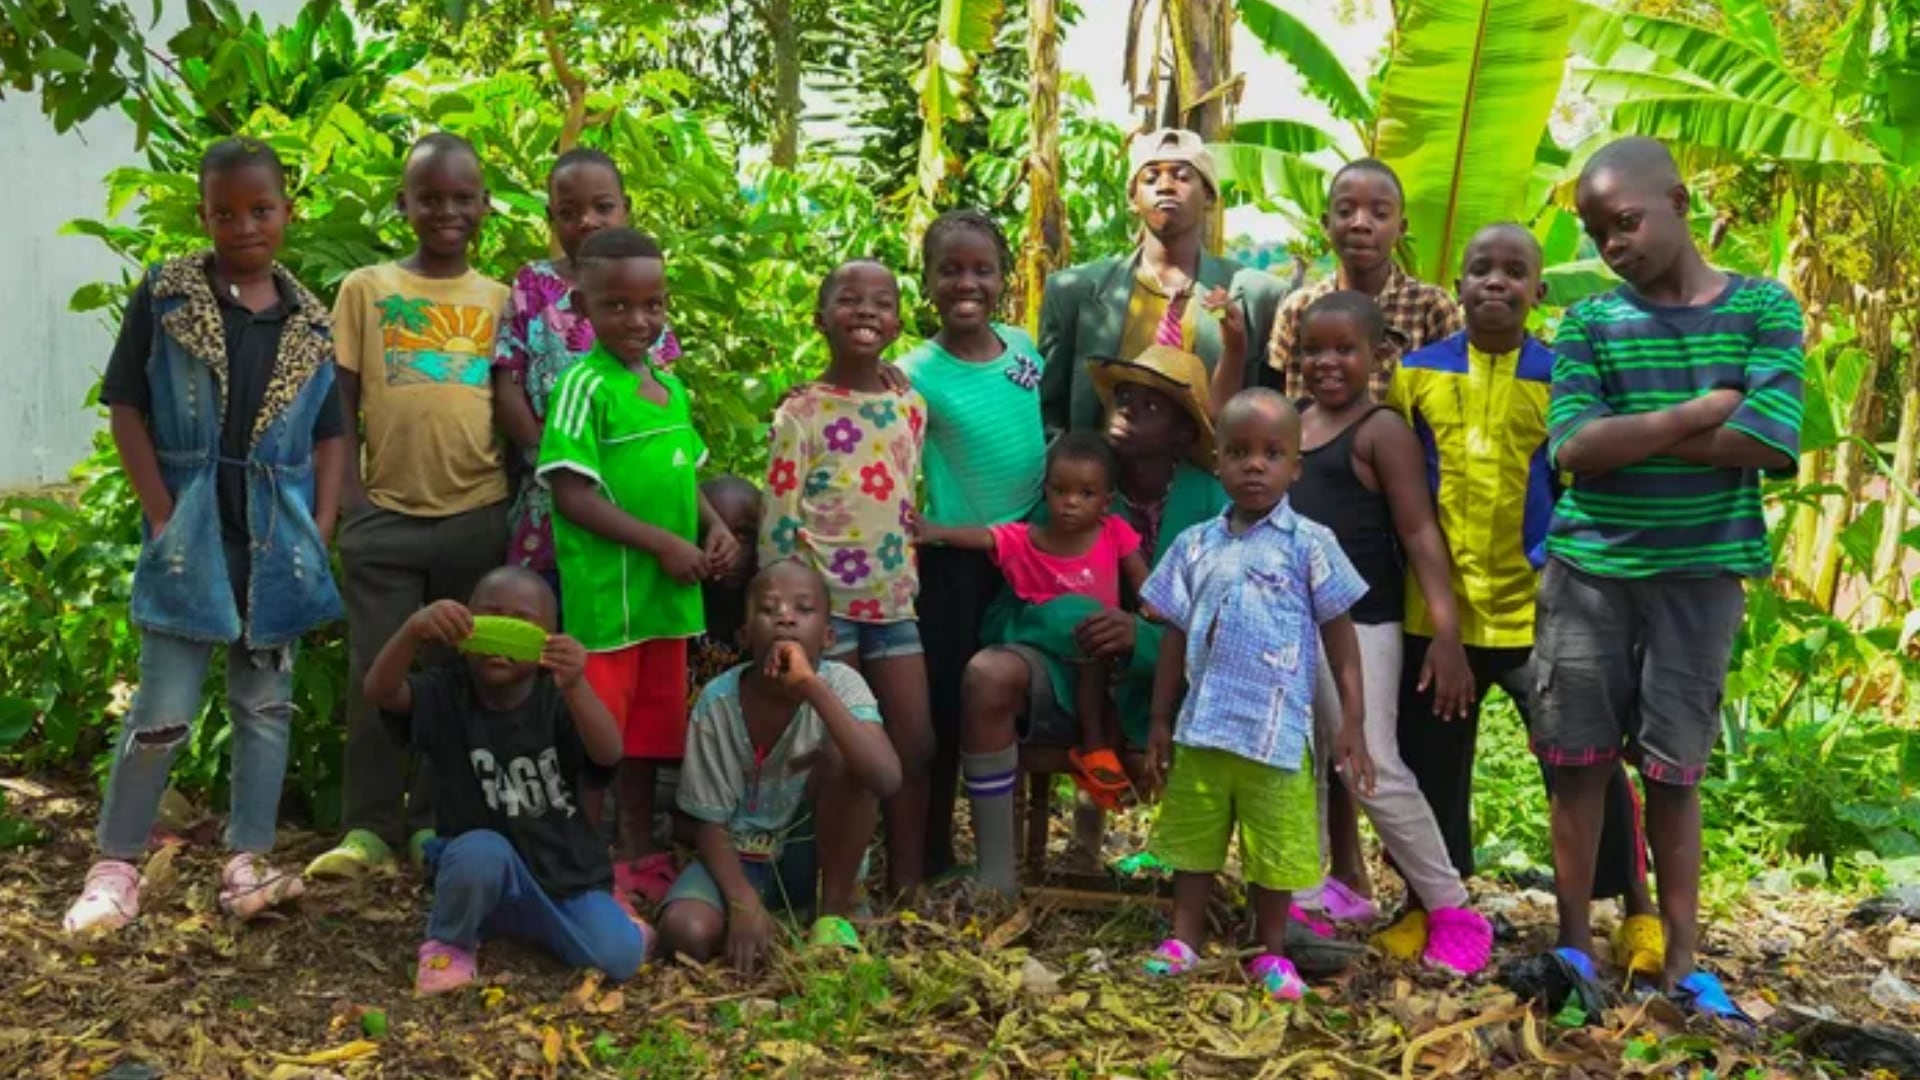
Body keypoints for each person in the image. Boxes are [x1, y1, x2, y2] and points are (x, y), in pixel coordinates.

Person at [1539, 136, 1803, 1017]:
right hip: (1589, 575)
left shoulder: (1764, 306)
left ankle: (1684, 963)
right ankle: (1574, 946)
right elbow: (1575, 449)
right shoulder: (1586, 324)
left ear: (1679, 202)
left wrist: (1634, 434)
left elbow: (1773, 439)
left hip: (1701, 577)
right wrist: (1704, 409)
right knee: (1575, 765)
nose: (1612, 245)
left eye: (1624, 222)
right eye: (1595, 232)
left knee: (1674, 774)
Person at [65, 138, 345, 932]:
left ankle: (246, 863)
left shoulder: (311, 324)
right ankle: (116, 866)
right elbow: (126, 406)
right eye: (225, 213)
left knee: (266, 707)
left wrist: (318, 528)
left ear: (288, 212)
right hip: (190, 537)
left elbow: (332, 433)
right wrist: (160, 511)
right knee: (163, 709)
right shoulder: (167, 297)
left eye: (261, 210)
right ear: (204, 216)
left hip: (275, 541)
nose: (245, 226)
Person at [1387, 223, 1658, 969]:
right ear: (1459, 287)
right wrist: (1442, 631)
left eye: (1514, 272)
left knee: (1588, 765)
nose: (1496, 283)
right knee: (1431, 763)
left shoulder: (1562, 375)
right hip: (1436, 616)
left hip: (1545, 613)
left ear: (1540, 290)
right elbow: (1407, 502)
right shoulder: (1415, 375)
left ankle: (1636, 908)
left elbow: (1582, 486)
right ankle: (1428, 905)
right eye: (1480, 269)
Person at [311, 132, 513, 879]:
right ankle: (367, 829)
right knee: (378, 676)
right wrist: (353, 499)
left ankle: (437, 824)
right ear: (404, 204)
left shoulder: (500, 299)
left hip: (477, 515)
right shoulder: (367, 289)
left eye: (463, 197)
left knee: (457, 678)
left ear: (485, 205)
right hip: (386, 517)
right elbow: (338, 398)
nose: (447, 210)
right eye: (430, 197)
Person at [959, 344, 1228, 898]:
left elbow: (1231, 614)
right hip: (1066, 668)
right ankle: (995, 880)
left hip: (1175, 686)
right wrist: (1075, 619)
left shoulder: (1211, 499)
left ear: (1183, 433)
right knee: (987, 673)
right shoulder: (1071, 488)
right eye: (1122, 398)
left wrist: (1146, 639)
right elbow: (1019, 594)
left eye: (1151, 406)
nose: (1127, 410)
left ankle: (1201, 887)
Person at [1138, 388, 1376, 1001]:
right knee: (1193, 843)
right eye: (1239, 451)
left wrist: (1353, 722)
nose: (1254, 465)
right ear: (1216, 461)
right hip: (1203, 727)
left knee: (1274, 849)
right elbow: (1173, 634)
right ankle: (1183, 938)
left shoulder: (1310, 544)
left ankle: (1271, 953)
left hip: (1275, 733)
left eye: (1272, 454)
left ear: (1295, 466)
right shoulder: (1195, 544)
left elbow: (1342, 640)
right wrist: (1161, 719)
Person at [1287, 291, 1491, 976]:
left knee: (1367, 763)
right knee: (1308, 761)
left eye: (1344, 349)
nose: (1326, 362)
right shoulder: (1293, 424)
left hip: (1365, 624)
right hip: (1294, 626)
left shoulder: (1381, 432)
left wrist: (1446, 632)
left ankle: (1451, 904)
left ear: (1379, 355)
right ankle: (1313, 893)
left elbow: (1419, 533)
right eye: (1313, 349)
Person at [536, 227, 741, 904]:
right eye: (619, 305)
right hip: (609, 604)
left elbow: (687, 482)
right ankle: (586, 865)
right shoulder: (581, 385)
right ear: (584, 304)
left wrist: (714, 531)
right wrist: (662, 544)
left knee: (648, 737)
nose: (639, 320)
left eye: (652, 304)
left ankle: (636, 851)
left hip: (666, 603)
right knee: (599, 739)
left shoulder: (669, 390)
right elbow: (572, 495)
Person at [362, 567, 647, 994]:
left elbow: (608, 753)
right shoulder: (446, 693)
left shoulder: (557, 697)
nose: (503, 631)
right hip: (479, 869)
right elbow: (381, 692)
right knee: (480, 851)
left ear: (548, 639)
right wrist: (412, 631)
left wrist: (577, 685)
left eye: (522, 622)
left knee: (621, 957)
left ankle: (572, 923)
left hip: (561, 874)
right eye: (490, 614)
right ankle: (450, 942)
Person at [760, 259, 932, 894]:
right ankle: (837, 886)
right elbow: (779, 517)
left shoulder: (909, 405)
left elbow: (910, 499)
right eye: (849, 300)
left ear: (896, 323)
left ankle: (908, 879)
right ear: (820, 318)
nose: (866, 311)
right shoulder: (800, 412)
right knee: (837, 751)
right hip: (825, 614)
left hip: (893, 606)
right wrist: (784, 614)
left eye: (882, 302)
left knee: (914, 744)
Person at [658, 560, 903, 971]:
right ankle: (772, 917)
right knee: (685, 932)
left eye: (803, 609)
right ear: (744, 634)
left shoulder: (840, 684)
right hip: (738, 858)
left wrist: (811, 686)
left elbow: (886, 777)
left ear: (827, 637)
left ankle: (833, 914)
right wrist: (742, 903)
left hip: (814, 857)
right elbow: (709, 824)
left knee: (850, 753)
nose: (785, 617)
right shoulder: (717, 702)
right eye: (769, 609)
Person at [899, 208, 1047, 881]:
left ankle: (1004, 852)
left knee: (1009, 701)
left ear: (1002, 278)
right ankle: (931, 850)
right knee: (943, 703)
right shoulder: (912, 372)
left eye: (981, 269)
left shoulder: (1024, 350)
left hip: (1033, 554)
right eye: (950, 270)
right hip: (955, 560)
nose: (967, 283)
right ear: (927, 281)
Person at [913, 432, 1149, 810]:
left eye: (1086, 494)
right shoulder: (1028, 539)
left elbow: (1145, 584)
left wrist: (1150, 614)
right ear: (1045, 491)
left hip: (1096, 655)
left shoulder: (1113, 533)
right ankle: (1094, 745)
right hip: (1043, 651)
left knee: (1098, 634)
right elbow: (984, 537)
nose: (1070, 502)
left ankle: (1108, 762)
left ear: (1107, 502)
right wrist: (936, 530)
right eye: (1060, 490)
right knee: (1075, 617)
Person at [492, 147, 683, 600]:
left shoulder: (644, 290)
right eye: (569, 212)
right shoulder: (532, 285)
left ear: (626, 209)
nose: (588, 221)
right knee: (544, 615)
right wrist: (551, 457)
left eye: (603, 207)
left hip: (630, 493)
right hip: (550, 489)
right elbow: (508, 383)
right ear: (551, 218)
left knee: (618, 608)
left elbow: (662, 395)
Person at [1038, 128, 1289, 438]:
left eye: (1182, 176)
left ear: (1209, 194)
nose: (1166, 186)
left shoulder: (1256, 295)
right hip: (1105, 481)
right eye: (1151, 177)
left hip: (1209, 482)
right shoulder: (1074, 291)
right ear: (1132, 196)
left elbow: (1274, 411)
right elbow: (1048, 413)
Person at [1266, 159, 1463, 401]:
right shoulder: (1299, 308)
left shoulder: (1432, 308)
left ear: (1401, 228)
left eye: (1380, 214)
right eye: (1346, 212)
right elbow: (1273, 402)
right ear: (1327, 225)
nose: (1360, 224)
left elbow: (1455, 404)